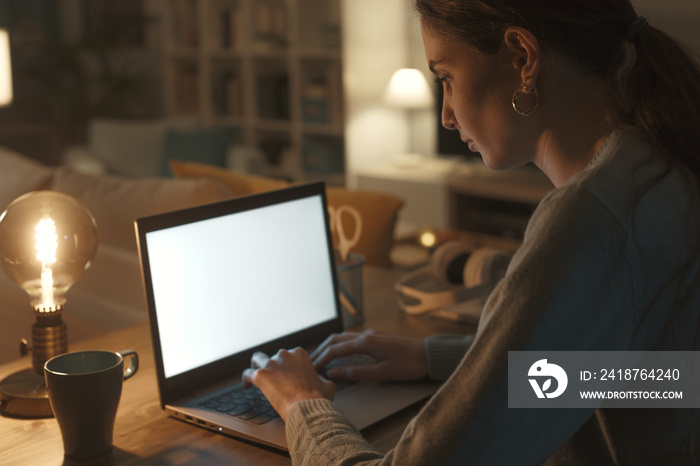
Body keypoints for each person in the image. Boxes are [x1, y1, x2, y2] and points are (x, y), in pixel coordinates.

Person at [242, 0, 700, 464]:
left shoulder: (593, 220)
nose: (446, 114)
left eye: (445, 78)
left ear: (523, 58)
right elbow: (655, 379)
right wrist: (453, 360)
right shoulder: (656, 171)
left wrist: (303, 403)